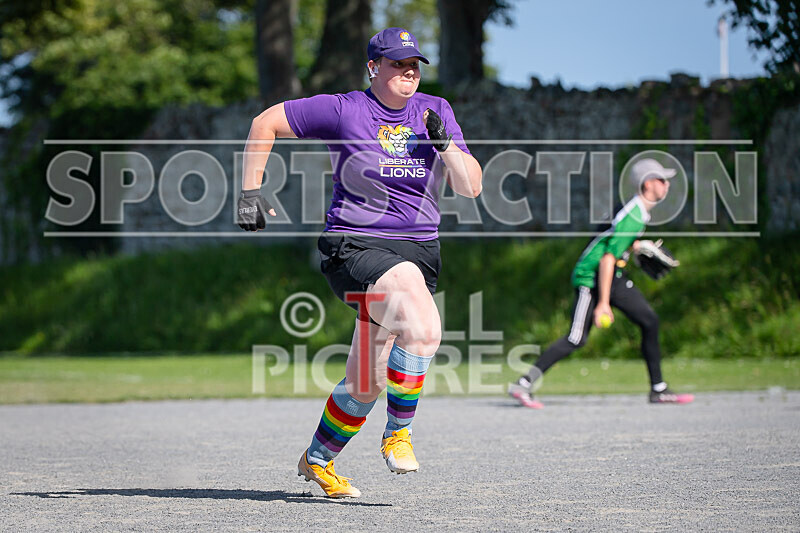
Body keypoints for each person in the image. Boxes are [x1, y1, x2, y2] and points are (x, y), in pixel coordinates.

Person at [237, 28, 482, 498]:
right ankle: (398, 434)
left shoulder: (436, 111)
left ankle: (317, 460)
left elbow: (471, 187)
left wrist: (445, 144)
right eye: (397, 64)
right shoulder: (344, 108)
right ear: (373, 68)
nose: (409, 72)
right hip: (356, 246)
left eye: (414, 65)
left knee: (365, 381)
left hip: (419, 250)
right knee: (425, 328)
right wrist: (251, 189)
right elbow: (265, 122)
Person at [508, 158, 694, 409]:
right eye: (662, 179)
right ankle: (524, 383)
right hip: (592, 277)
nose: (667, 184)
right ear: (648, 183)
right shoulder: (635, 214)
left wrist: (638, 246)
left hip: (612, 276)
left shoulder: (636, 210)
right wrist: (604, 304)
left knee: (649, 320)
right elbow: (607, 258)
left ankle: (658, 389)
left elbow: (608, 239)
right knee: (576, 338)